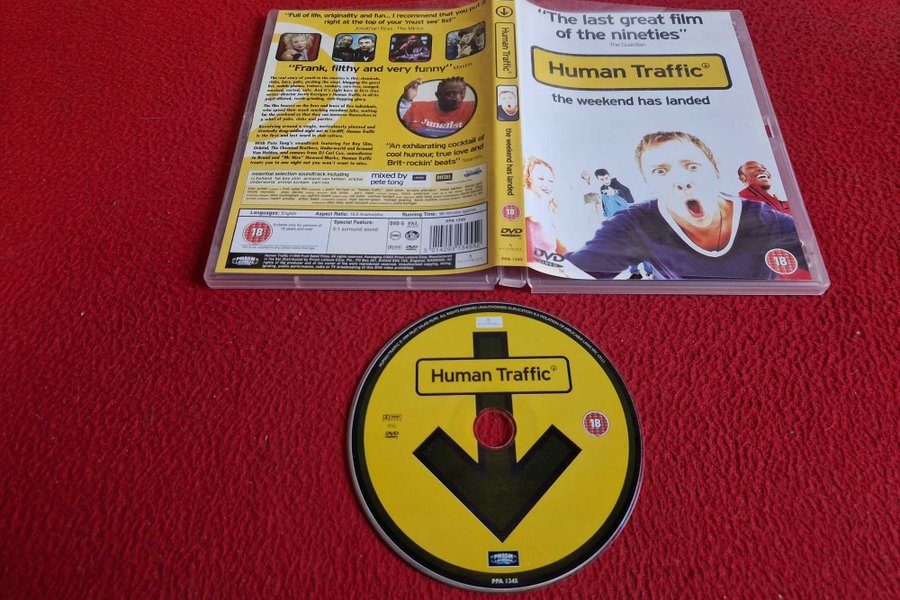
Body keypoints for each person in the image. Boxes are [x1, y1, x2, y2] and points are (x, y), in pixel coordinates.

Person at [565, 131, 808, 280]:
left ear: (715, 171)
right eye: (661, 171)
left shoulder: (768, 222)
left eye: (692, 166)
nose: (681, 181)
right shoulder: (636, 223)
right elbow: (574, 272)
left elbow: (821, 262)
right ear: (649, 185)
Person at [398, 77, 475, 137]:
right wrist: (405, 100)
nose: (458, 98)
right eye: (450, 94)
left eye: (462, 93)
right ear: (437, 95)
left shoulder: (471, 108)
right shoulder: (414, 108)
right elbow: (396, 127)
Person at [523, 157, 566, 263]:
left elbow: (560, 249)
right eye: (540, 179)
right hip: (533, 268)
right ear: (529, 180)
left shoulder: (548, 211)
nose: (547, 184)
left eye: (551, 181)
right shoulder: (528, 202)